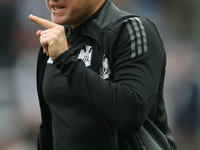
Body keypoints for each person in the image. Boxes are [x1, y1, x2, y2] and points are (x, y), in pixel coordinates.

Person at [29, 0, 177, 149]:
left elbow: (131, 113)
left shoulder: (132, 29)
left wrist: (66, 60)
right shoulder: (54, 42)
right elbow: (48, 128)